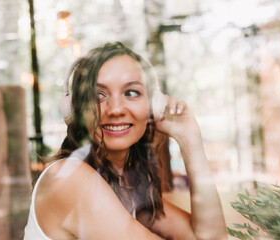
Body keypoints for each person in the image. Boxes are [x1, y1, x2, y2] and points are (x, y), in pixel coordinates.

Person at [24, 42, 227, 240]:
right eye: (98, 95)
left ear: (153, 106)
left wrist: (189, 139)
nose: (115, 109)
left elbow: (212, 236)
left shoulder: (126, 185)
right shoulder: (70, 179)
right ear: (75, 110)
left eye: (131, 93)